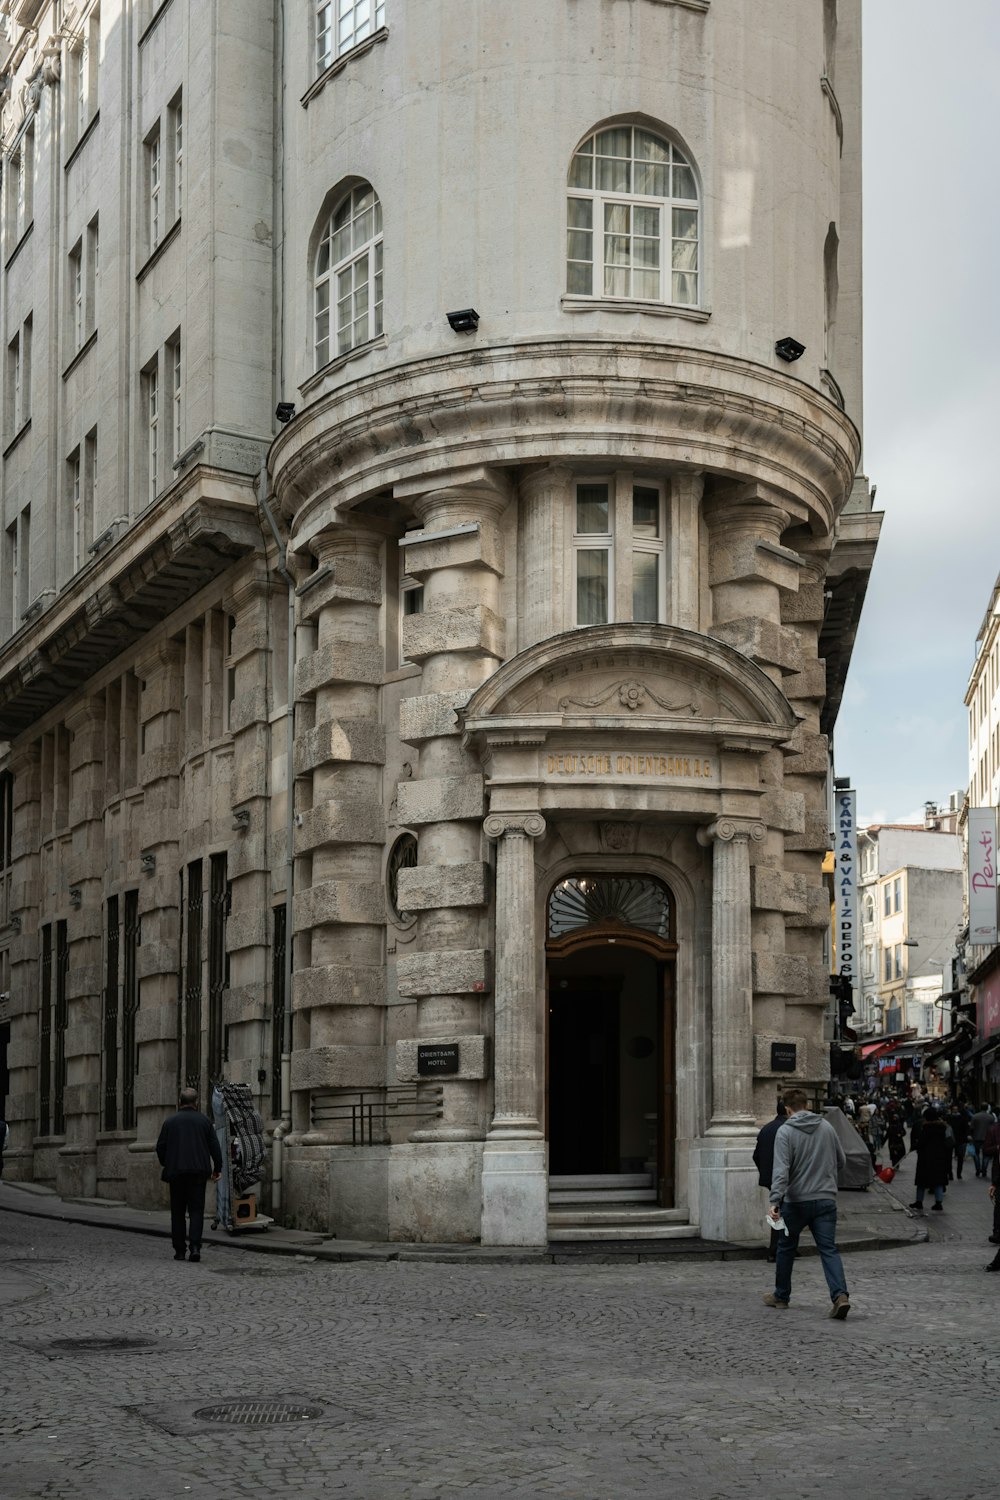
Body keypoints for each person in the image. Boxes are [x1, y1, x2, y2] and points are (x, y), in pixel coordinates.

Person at [764, 1087, 851, 1319]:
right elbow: (841, 1160)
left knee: (785, 1247)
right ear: (808, 1106)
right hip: (825, 1199)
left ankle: (781, 1296)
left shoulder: (786, 1132)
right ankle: (840, 1295)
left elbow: (781, 1170)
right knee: (829, 1249)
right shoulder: (827, 1127)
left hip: (796, 1201)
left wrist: (774, 1200)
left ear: (787, 1109)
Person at [156, 1087, 223, 1262]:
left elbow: (160, 1147)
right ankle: (195, 1247)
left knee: (177, 1212)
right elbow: (215, 1148)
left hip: (176, 1172)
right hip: (198, 1173)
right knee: (196, 1211)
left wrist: (167, 1162)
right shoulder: (205, 1122)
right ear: (196, 1102)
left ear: (180, 1102)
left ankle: (179, 1250)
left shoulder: (170, 1122)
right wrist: (218, 1168)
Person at [753, 1101, 787, 1263]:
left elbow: (756, 1156)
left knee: (781, 1212)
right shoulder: (788, 1129)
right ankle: (776, 1250)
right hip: (784, 1178)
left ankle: (784, 1247)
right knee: (781, 1213)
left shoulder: (766, 1128)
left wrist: (765, 1172)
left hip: (770, 1178)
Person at [910, 1106, 951, 1213]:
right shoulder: (943, 1128)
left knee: (922, 1181)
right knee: (938, 1181)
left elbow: (921, 1143)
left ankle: (919, 1202)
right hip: (940, 1158)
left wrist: (914, 1146)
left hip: (926, 1158)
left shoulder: (926, 1129)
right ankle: (938, 1203)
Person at [945, 1101, 970, 1180]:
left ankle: (959, 1173)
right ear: (952, 1110)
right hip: (951, 1139)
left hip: (960, 1139)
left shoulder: (962, 1118)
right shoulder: (948, 1117)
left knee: (960, 1157)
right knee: (949, 1158)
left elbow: (966, 1128)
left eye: (956, 1109)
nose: (955, 1110)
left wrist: (967, 1135)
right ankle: (950, 1174)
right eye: (954, 1109)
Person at [970, 1103, 995, 1177]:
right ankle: (984, 1170)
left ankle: (978, 1169)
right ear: (987, 1108)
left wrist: (971, 1136)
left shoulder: (975, 1116)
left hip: (977, 1137)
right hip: (988, 1138)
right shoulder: (991, 1117)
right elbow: (993, 1129)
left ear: (980, 1107)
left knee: (976, 1154)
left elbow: (971, 1128)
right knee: (986, 1155)